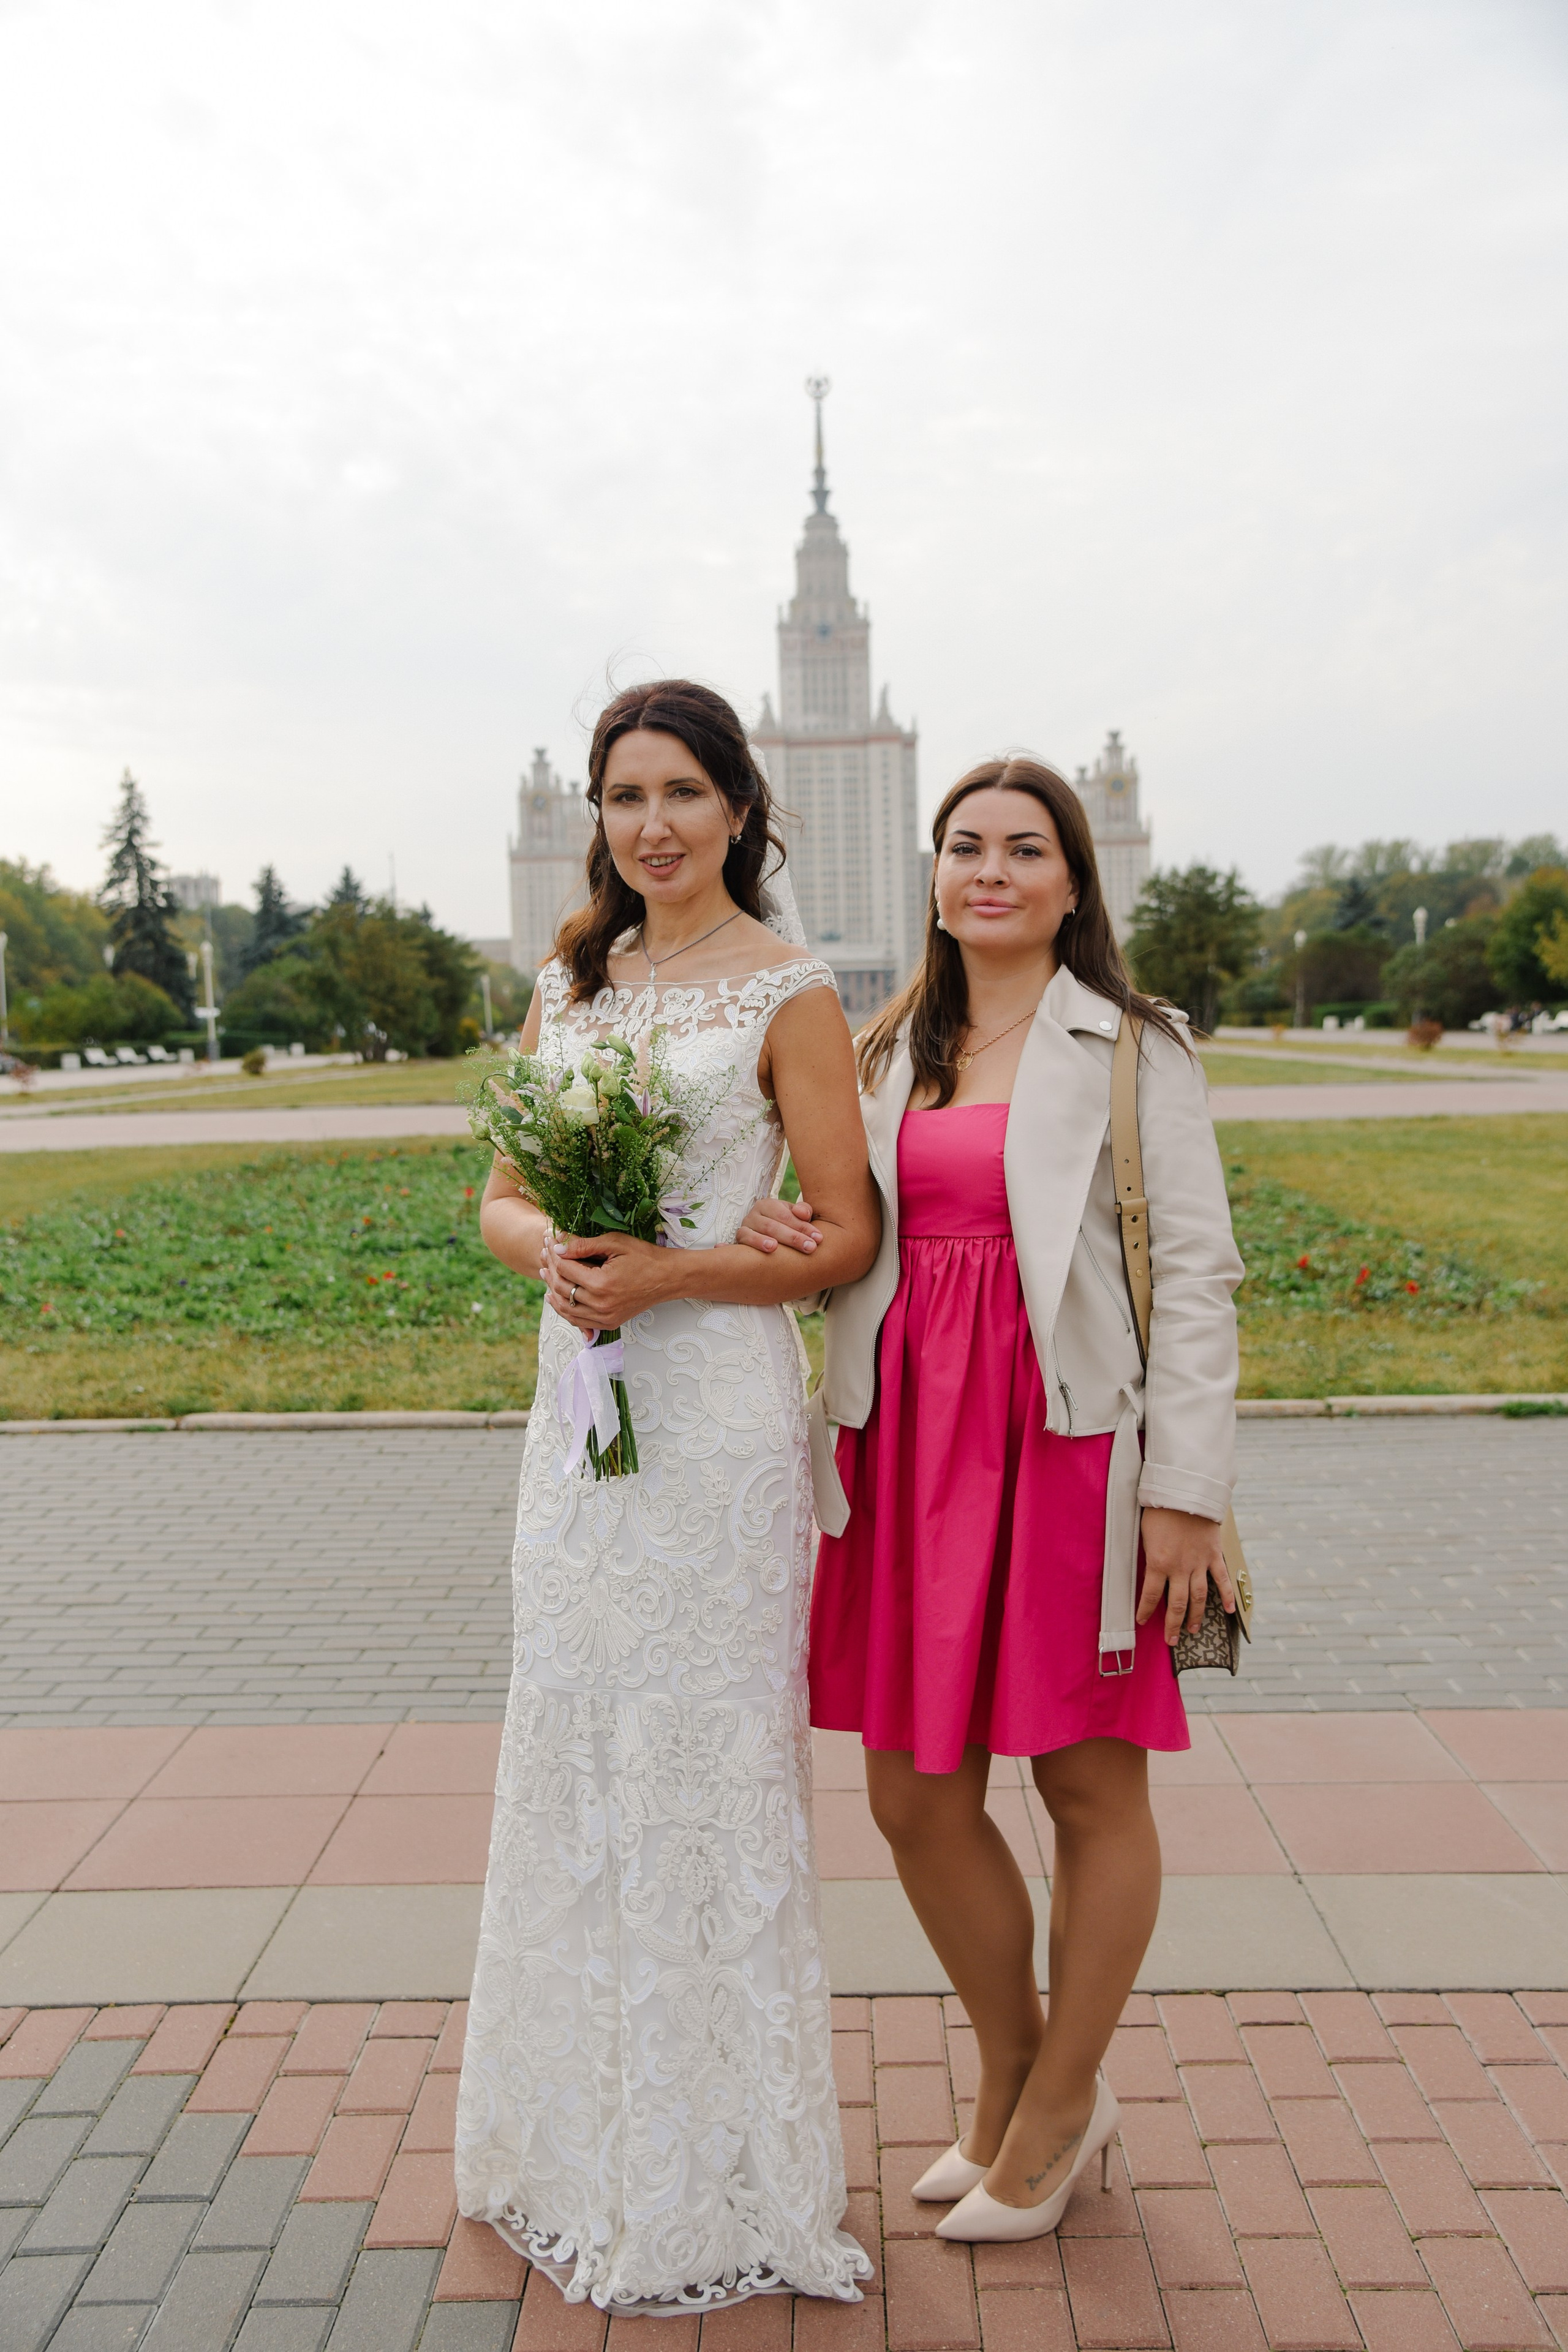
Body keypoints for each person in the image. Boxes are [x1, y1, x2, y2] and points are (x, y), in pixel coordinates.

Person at [739, 756, 1243, 2243]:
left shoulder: (1133, 1045)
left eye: (1026, 849)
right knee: (910, 1794)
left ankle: (1058, 2099)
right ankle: (1019, 2066)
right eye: (965, 847)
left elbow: (1198, 1280)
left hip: (1070, 1448)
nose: (990, 871)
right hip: (905, 1448)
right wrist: (784, 1228)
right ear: (935, 872)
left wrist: (1185, 1493)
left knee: (1086, 1782)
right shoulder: (892, 1043)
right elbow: (846, 1228)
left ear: (1073, 883)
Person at [453, 679, 880, 2314]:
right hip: (578, 1420)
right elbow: (494, 1197)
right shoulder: (567, 987)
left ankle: (712, 2174)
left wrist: (681, 1270)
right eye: (626, 795)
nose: (653, 825)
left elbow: (841, 1230)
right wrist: (554, 1256)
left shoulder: (791, 993)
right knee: (573, 1748)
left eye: (684, 793)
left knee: (701, 1769)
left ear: (739, 810)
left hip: (710, 1430)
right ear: (601, 818)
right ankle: (566, 2141)